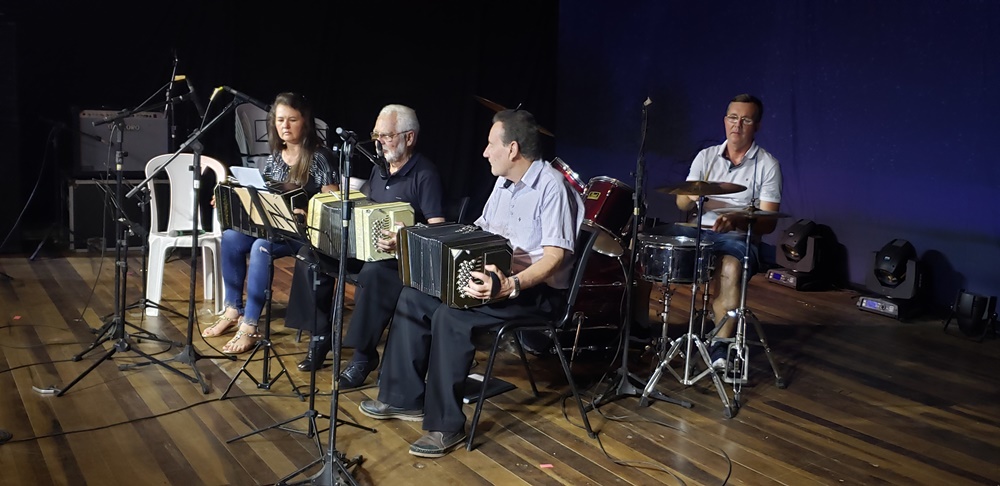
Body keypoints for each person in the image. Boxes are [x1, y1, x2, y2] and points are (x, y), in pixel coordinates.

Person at [358, 109, 584, 458]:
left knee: (451, 316)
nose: (484, 152)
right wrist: (412, 234)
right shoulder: (504, 183)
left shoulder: (552, 187)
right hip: (492, 278)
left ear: (512, 149)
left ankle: (445, 426)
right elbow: (475, 231)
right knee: (414, 296)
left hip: (531, 292)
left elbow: (555, 257)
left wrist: (510, 285)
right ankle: (403, 397)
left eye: (491, 144)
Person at [284, 104, 446, 388]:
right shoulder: (378, 170)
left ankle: (363, 356)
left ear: (409, 137)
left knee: (373, 273)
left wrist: (406, 236)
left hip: (401, 259)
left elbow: (439, 228)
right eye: (376, 135)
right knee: (309, 255)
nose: (379, 142)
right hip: (367, 250)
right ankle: (320, 336)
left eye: (387, 135)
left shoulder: (425, 173)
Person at [642, 93, 782, 369]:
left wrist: (737, 220)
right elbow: (682, 203)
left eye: (745, 120)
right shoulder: (706, 157)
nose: (737, 125)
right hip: (698, 230)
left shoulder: (768, 165)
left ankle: (720, 347)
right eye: (733, 118)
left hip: (738, 236)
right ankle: (639, 327)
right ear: (725, 120)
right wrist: (690, 196)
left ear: (757, 126)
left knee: (730, 268)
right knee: (645, 246)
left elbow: (769, 222)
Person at [203, 92, 339, 354]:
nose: (285, 126)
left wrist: (307, 211)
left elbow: (333, 204)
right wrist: (231, 197)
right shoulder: (276, 156)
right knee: (231, 237)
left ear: (305, 121)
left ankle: (251, 325)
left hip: (304, 233)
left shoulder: (320, 157)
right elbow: (262, 193)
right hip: (274, 226)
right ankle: (233, 309)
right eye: (280, 120)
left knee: (260, 247)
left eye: (292, 120)